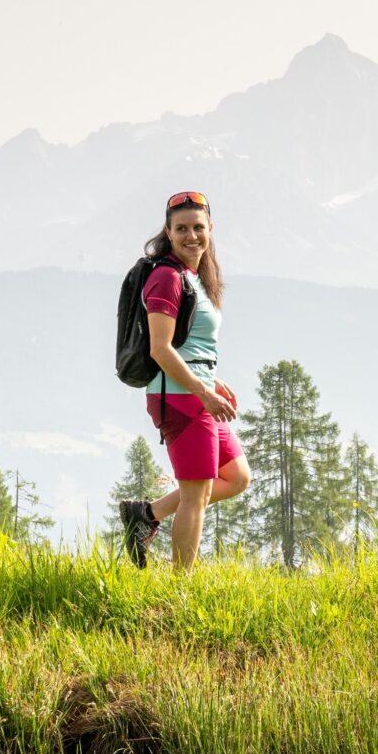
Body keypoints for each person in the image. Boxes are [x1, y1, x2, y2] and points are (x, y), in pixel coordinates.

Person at [119, 190, 249, 568]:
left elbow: (187, 344)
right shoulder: (166, 278)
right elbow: (160, 349)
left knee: (236, 477)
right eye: (182, 229)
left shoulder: (194, 277)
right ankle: (181, 587)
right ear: (168, 232)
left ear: (210, 228)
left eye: (198, 227)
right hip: (180, 398)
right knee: (196, 497)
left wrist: (211, 379)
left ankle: (147, 514)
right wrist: (203, 390)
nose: (191, 236)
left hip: (197, 391)